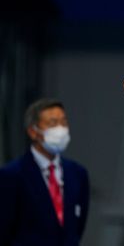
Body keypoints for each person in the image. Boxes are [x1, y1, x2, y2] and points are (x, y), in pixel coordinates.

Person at [0, 98, 90, 246]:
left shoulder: (78, 173)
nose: (60, 129)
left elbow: (77, 227)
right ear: (33, 131)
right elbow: (4, 230)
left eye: (64, 122)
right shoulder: (11, 175)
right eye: (52, 123)